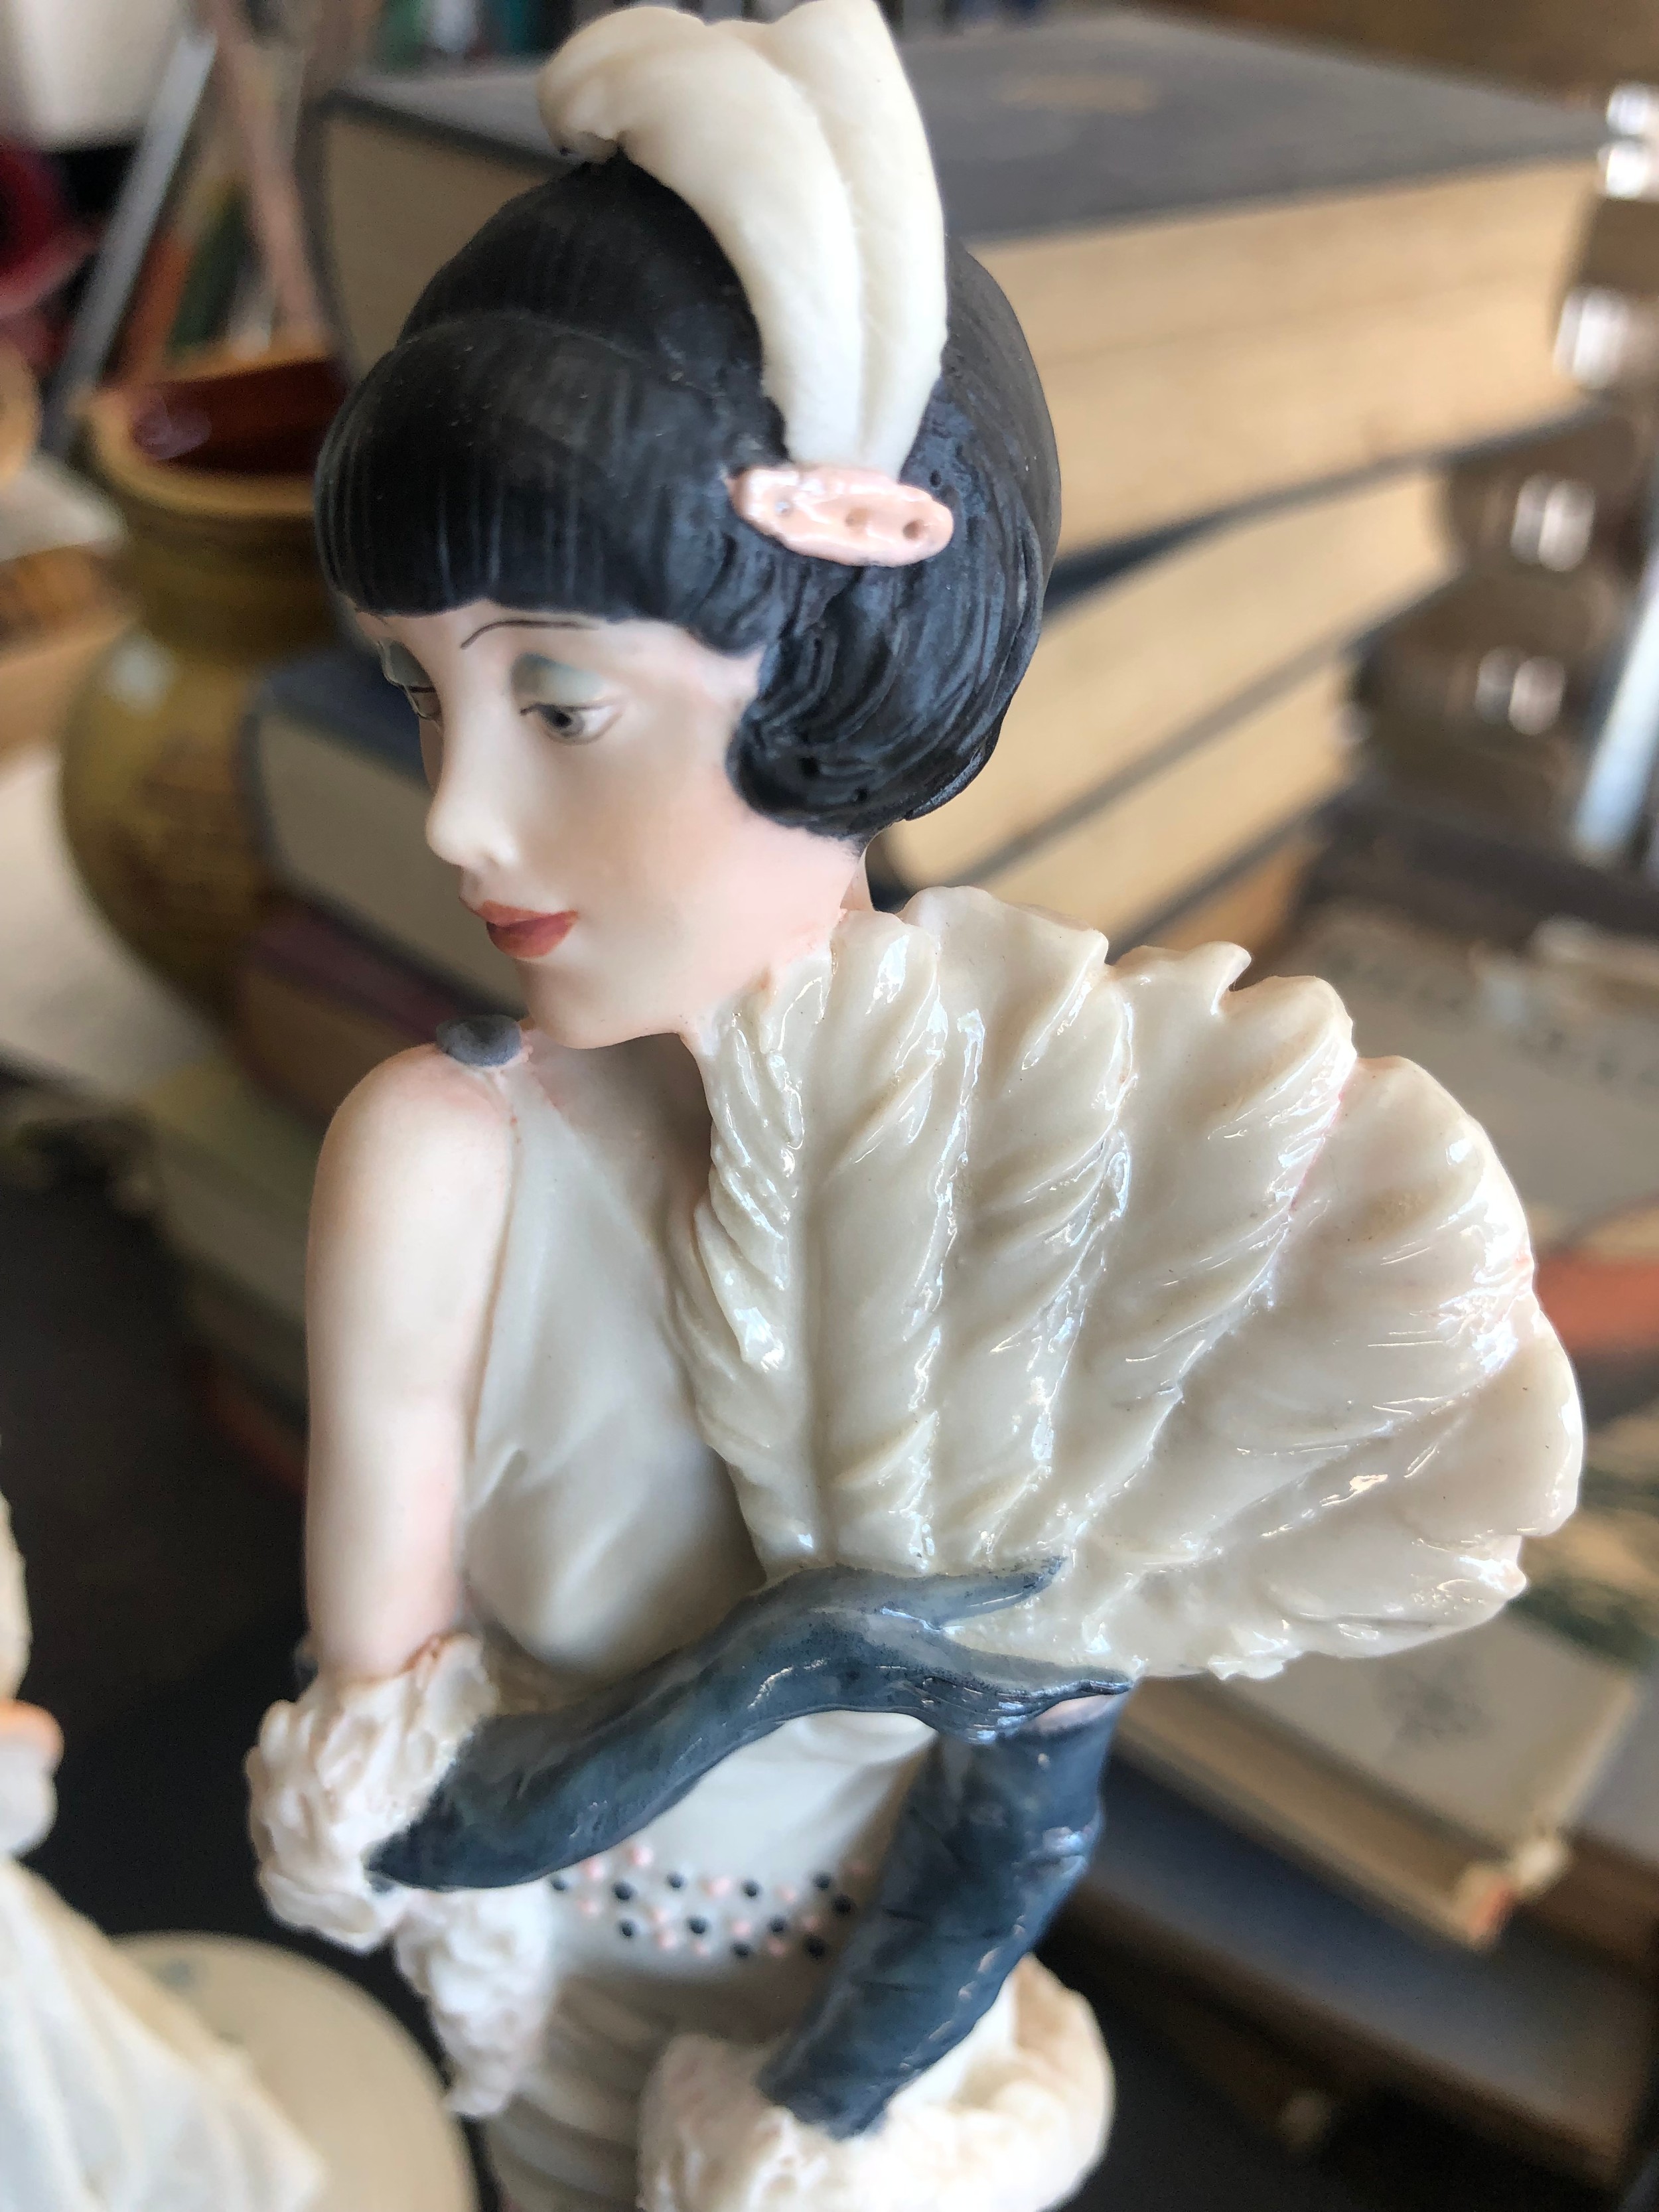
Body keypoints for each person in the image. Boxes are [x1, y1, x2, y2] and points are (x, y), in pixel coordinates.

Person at [249, 5, 1579, 2209]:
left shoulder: (1036, 1158)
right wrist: (782, 1659)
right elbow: (387, 1822)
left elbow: (1023, 1795)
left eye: (559, 701)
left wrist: (814, 2123)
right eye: (419, 690)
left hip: (868, 2076)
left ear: (832, 646)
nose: (456, 820)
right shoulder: (440, 1167)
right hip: (556, 2024)